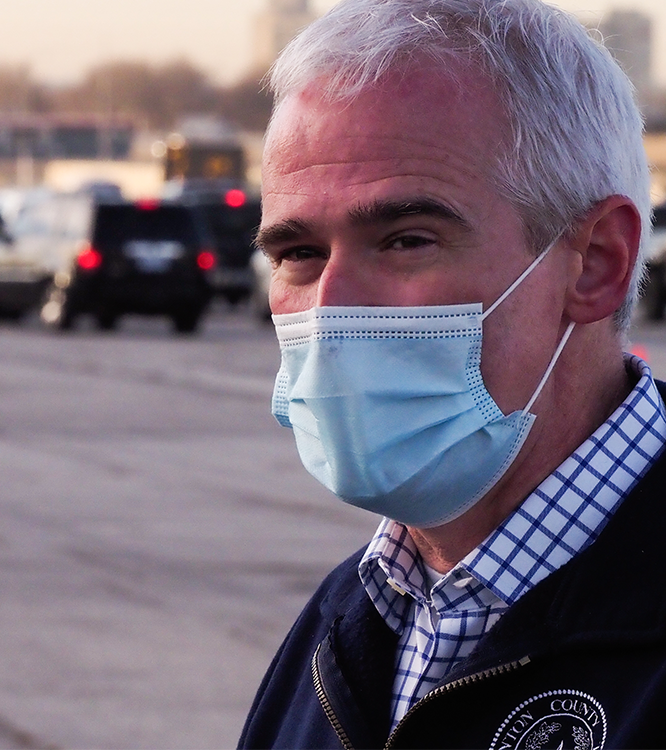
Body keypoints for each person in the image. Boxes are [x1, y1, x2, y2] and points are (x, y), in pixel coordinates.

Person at [238, 0, 666, 747]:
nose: (332, 310)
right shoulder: (347, 622)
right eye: (298, 253)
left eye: (405, 240)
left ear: (597, 263)